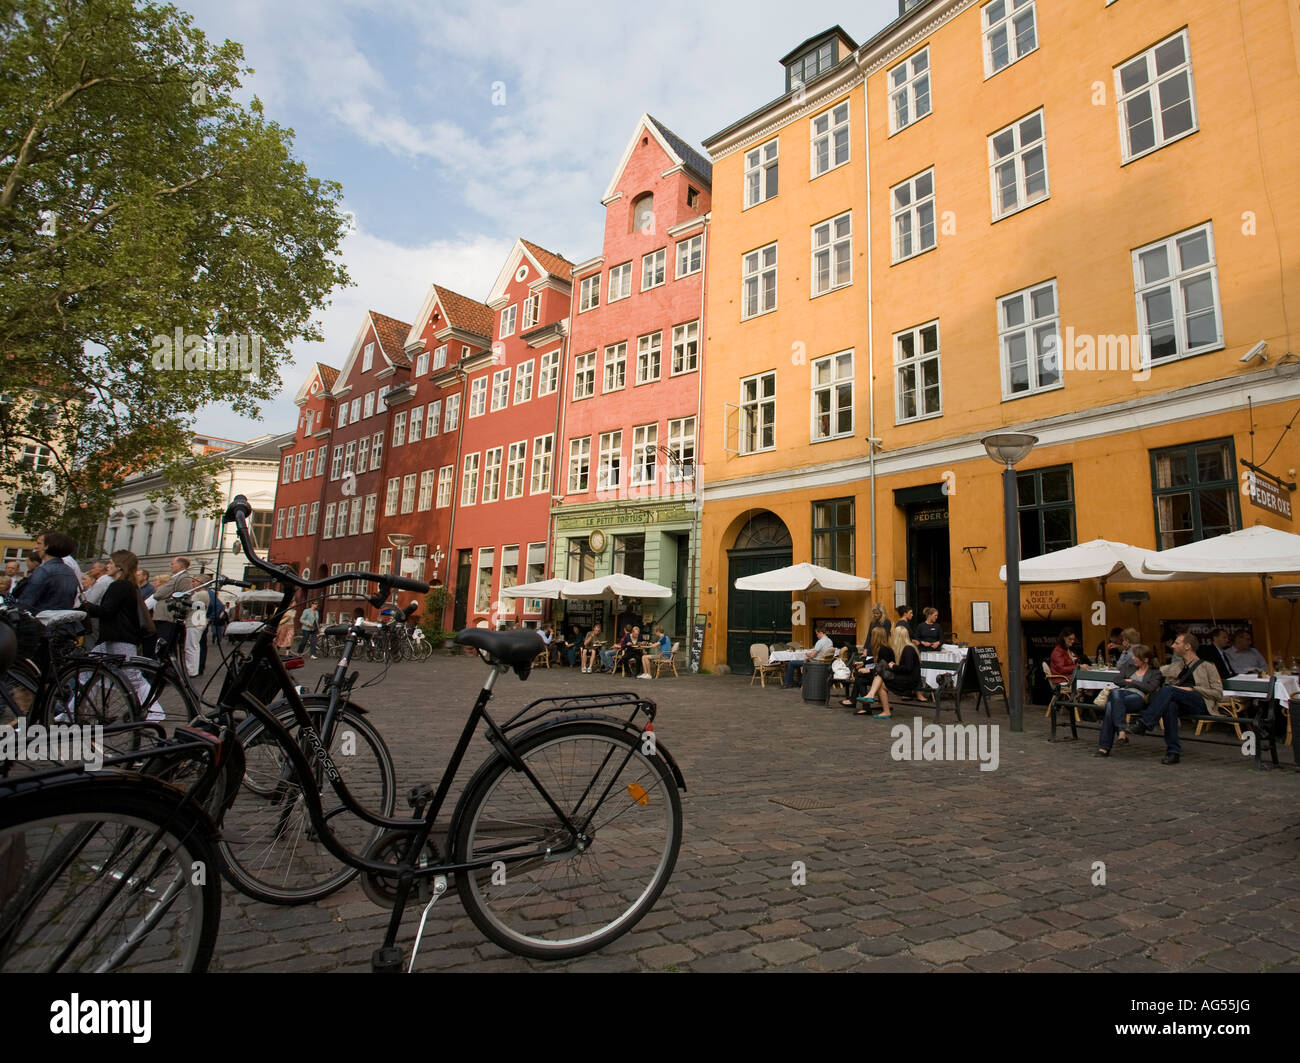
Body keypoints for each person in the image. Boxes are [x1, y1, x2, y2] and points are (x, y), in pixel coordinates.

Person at [78, 550, 154, 718]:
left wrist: (85, 606)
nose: (108, 566)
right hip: (114, 636)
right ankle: (73, 711)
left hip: (119, 636)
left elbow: (107, 611)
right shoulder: (128, 585)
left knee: (132, 676)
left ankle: (154, 711)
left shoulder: (119, 585)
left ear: (120, 566)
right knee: (87, 673)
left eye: (111, 563)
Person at [1130, 632, 1223, 764]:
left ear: (1187, 646)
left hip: (1200, 702)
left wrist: (1193, 689)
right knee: (1170, 706)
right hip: (1179, 701)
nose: (1173, 646)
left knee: (1169, 690)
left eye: (1177, 643)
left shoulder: (1208, 666)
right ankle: (1173, 753)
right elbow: (1153, 672)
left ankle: (1145, 723)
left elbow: (1218, 693)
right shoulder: (1176, 666)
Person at [1095, 644, 1163, 756]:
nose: (1133, 658)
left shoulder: (1154, 673)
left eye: (1136, 656)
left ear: (1145, 659)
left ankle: (1105, 746)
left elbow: (1150, 688)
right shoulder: (1129, 667)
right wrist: (1135, 683)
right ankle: (1121, 732)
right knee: (1113, 700)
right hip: (1122, 694)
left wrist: (1132, 682)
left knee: (1111, 705)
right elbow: (1117, 680)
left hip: (1138, 697)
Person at [858, 627, 923, 718]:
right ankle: (874, 698)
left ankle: (878, 703)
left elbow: (908, 668)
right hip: (905, 677)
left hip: (910, 681)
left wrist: (894, 666)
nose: (891, 637)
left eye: (893, 635)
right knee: (881, 675)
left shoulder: (908, 649)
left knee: (881, 679)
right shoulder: (906, 648)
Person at [17, 529, 81, 613]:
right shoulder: (69, 570)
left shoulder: (44, 570)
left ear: (47, 546)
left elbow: (27, 601)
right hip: (63, 620)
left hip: (42, 620)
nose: (35, 547)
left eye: (39, 543)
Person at [150, 556, 196, 658]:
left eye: (172, 564)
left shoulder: (183, 578)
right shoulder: (176, 577)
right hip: (163, 617)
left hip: (168, 617)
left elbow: (159, 593)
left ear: (180, 565)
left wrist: (163, 593)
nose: (170, 566)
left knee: (164, 645)